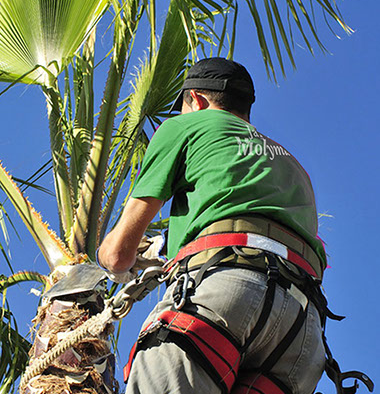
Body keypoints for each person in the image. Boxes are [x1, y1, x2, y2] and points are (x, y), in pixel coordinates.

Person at [96, 58, 344, 394]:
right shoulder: (292, 165)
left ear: (195, 100)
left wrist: (109, 260)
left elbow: (117, 255)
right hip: (300, 331)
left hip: (223, 297)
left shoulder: (186, 127)